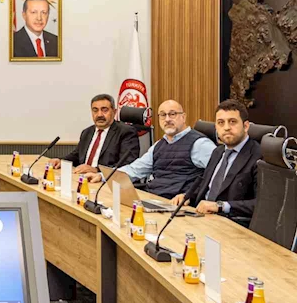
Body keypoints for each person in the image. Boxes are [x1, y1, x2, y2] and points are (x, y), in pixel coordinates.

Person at [84, 100, 216, 199]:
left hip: (179, 206)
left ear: (183, 117)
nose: (167, 119)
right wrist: (102, 176)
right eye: (163, 115)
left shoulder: (200, 144)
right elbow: (135, 170)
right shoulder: (160, 145)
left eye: (172, 114)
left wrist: (191, 196)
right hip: (155, 198)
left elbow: (218, 177)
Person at [170, 100, 261, 226]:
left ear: (246, 126)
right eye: (221, 123)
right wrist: (187, 197)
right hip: (201, 218)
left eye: (232, 122)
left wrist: (221, 206)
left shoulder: (259, 156)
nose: (226, 127)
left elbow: (262, 204)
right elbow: (206, 187)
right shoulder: (218, 152)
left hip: (230, 224)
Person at [50, 94, 139, 174]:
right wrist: (61, 161)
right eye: (95, 110)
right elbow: (76, 155)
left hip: (106, 182)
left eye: (104, 110)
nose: (99, 114)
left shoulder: (126, 132)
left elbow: (126, 165)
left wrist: (96, 170)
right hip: (83, 179)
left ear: (114, 112)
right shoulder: (87, 132)